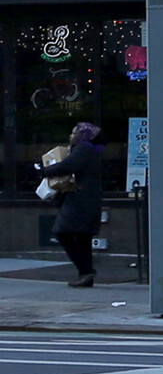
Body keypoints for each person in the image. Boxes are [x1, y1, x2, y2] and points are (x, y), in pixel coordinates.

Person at [40, 122, 104, 288]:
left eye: (74, 132)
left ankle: (85, 271)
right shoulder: (90, 150)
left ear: (82, 135)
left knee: (63, 233)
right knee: (82, 238)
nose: (70, 136)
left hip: (80, 201)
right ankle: (86, 273)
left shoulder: (83, 149)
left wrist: (45, 170)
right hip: (86, 200)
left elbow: (69, 166)